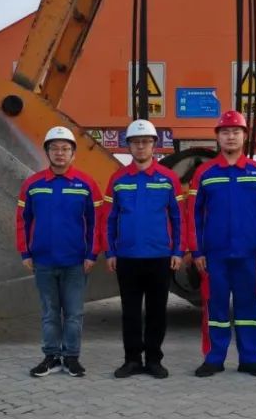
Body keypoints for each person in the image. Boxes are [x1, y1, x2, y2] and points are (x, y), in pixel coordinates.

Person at [188, 110, 256, 378]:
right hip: (214, 255)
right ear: (217, 137)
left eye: (236, 132)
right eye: (225, 132)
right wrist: (197, 250)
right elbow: (193, 214)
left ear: (244, 136)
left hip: (248, 254)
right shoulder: (204, 173)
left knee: (248, 307)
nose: (230, 136)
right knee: (215, 307)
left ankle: (250, 359)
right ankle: (214, 358)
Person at [16, 126, 104, 378]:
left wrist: (91, 254)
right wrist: (25, 252)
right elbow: (22, 220)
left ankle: (72, 357)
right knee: (50, 313)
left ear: (73, 153)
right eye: (54, 148)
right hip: (43, 261)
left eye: (65, 148)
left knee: (74, 313)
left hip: (75, 262)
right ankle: (51, 357)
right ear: (47, 152)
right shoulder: (33, 184)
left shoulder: (86, 184)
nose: (60, 153)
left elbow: (96, 222)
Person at [104, 119, 185, 379]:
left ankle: (153, 360)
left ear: (154, 145)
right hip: (127, 257)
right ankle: (131, 360)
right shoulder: (118, 179)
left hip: (159, 256)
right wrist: (110, 251)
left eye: (146, 142)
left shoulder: (168, 178)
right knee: (130, 312)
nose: (141, 146)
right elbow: (109, 218)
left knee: (156, 312)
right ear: (129, 146)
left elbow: (178, 217)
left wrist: (178, 250)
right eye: (136, 142)